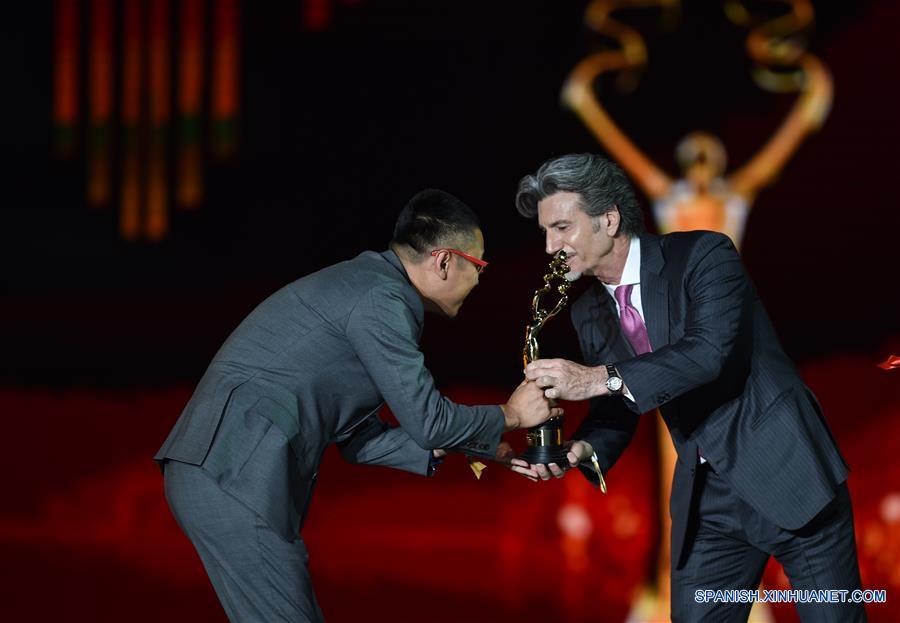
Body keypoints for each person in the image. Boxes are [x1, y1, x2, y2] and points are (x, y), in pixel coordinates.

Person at [156, 189, 558, 622]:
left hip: (221, 471)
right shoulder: (380, 300)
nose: (480, 279)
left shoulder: (370, 287)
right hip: (233, 470)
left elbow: (357, 439)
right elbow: (429, 422)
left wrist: (475, 443)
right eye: (479, 265)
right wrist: (512, 414)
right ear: (444, 260)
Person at [510, 153, 865, 622]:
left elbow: (707, 353)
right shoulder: (587, 312)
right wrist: (580, 451)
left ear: (609, 219)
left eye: (562, 228)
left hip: (788, 474)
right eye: (546, 233)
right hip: (706, 502)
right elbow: (619, 405)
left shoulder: (705, 255)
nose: (551, 246)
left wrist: (594, 378)